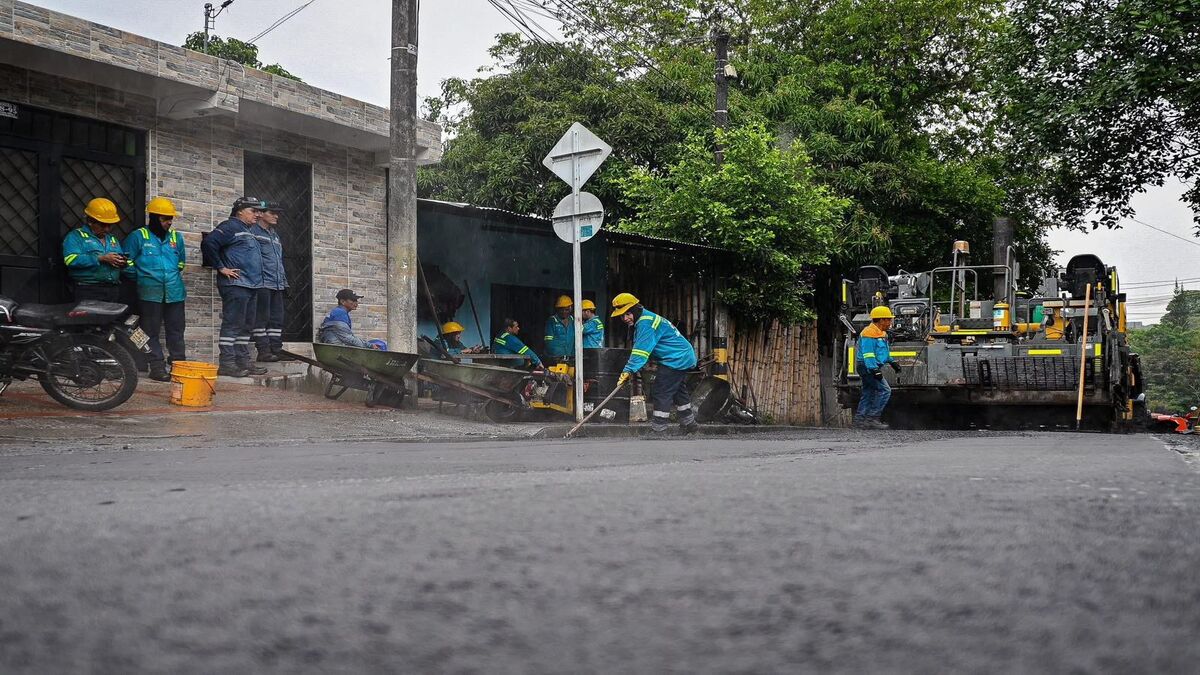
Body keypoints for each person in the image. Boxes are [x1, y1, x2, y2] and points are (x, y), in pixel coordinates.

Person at [612, 293, 699, 436]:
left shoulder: (645, 323)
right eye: (622, 316)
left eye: (627, 314)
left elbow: (640, 351)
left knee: (661, 390)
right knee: (678, 391)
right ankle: (690, 424)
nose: (625, 318)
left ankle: (659, 429)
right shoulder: (643, 319)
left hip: (676, 358)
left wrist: (628, 370)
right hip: (679, 356)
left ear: (635, 309)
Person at [201, 196, 267, 377]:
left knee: (246, 326)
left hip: (250, 285)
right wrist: (221, 267)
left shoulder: (249, 230)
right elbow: (209, 243)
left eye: (259, 211)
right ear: (240, 211)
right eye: (253, 211)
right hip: (236, 285)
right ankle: (228, 363)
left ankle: (243, 361)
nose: (258, 214)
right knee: (233, 324)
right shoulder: (230, 226)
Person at [122, 197, 186, 382]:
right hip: (149, 293)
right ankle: (156, 366)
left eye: (170, 218)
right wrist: (142, 278)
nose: (169, 222)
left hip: (174, 293)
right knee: (148, 332)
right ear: (154, 218)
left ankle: (179, 365)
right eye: (165, 218)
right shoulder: (138, 236)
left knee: (176, 331)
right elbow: (126, 262)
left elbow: (180, 262)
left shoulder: (176, 238)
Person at [63, 197, 127, 302]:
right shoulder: (76, 237)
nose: (106, 229)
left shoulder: (112, 239)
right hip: (88, 290)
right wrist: (100, 258)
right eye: (102, 225)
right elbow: (70, 260)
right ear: (90, 221)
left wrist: (122, 262)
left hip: (112, 289)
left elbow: (121, 258)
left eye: (109, 225)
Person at [252, 201, 288, 362]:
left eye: (277, 213)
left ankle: (276, 348)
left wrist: (284, 281)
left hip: (277, 283)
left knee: (277, 319)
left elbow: (278, 260)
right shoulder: (253, 231)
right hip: (262, 283)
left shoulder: (274, 234)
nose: (276, 216)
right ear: (261, 213)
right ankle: (263, 350)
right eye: (272, 212)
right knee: (261, 318)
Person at [855, 305, 901, 429]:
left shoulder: (882, 334)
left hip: (869, 366)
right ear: (881, 320)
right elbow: (868, 353)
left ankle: (860, 420)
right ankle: (872, 419)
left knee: (868, 392)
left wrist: (892, 362)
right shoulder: (868, 333)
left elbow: (883, 352)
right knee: (885, 390)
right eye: (888, 319)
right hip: (866, 366)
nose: (890, 322)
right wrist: (874, 369)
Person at [318, 289, 383, 349]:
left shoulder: (338, 312)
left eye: (356, 300)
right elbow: (347, 338)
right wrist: (370, 345)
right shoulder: (339, 313)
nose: (356, 303)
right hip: (336, 350)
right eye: (353, 300)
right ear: (342, 301)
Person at [544, 294, 574, 359]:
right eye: (561, 310)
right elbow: (548, 341)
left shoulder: (573, 320)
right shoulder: (552, 320)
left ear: (570, 308)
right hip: (555, 357)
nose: (564, 312)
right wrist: (556, 356)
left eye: (566, 310)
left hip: (570, 356)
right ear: (557, 309)